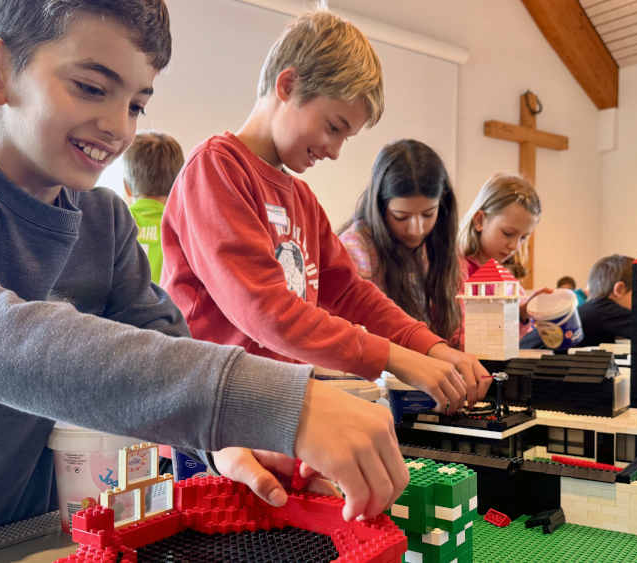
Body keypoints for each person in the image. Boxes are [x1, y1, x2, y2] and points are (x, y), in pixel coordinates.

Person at [0, 2, 407, 559]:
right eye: (90, 87)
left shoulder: (104, 221)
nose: (117, 127)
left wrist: (227, 439)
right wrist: (278, 402)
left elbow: (169, 349)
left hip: (28, 538)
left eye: (136, 104)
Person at [161, 13, 491, 435]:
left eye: (345, 137)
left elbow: (351, 293)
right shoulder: (216, 171)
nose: (334, 151)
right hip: (217, 420)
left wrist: (430, 346)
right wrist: (398, 358)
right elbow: (269, 313)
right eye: (333, 127)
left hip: (278, 407)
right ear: (287, 85)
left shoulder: (301, 199)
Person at [338, 139, 462, 348]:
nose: (417, 229)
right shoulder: (355, 248)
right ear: (380, 207)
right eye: (401, 216)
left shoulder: (436, 245)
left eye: (428, 214)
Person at [458, 173, 549, 336]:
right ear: (479, 220)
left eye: (523, 237)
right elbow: (456, 332)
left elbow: (517, 341)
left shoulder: (508, 281)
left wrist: (523, 313)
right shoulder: (455, 271)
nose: (514, 246)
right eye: (507, 233)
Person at [123, 131, 184, 283]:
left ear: (126, 187)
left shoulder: (117, 225)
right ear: (178, 185)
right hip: (171, 306)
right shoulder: (184, 229)